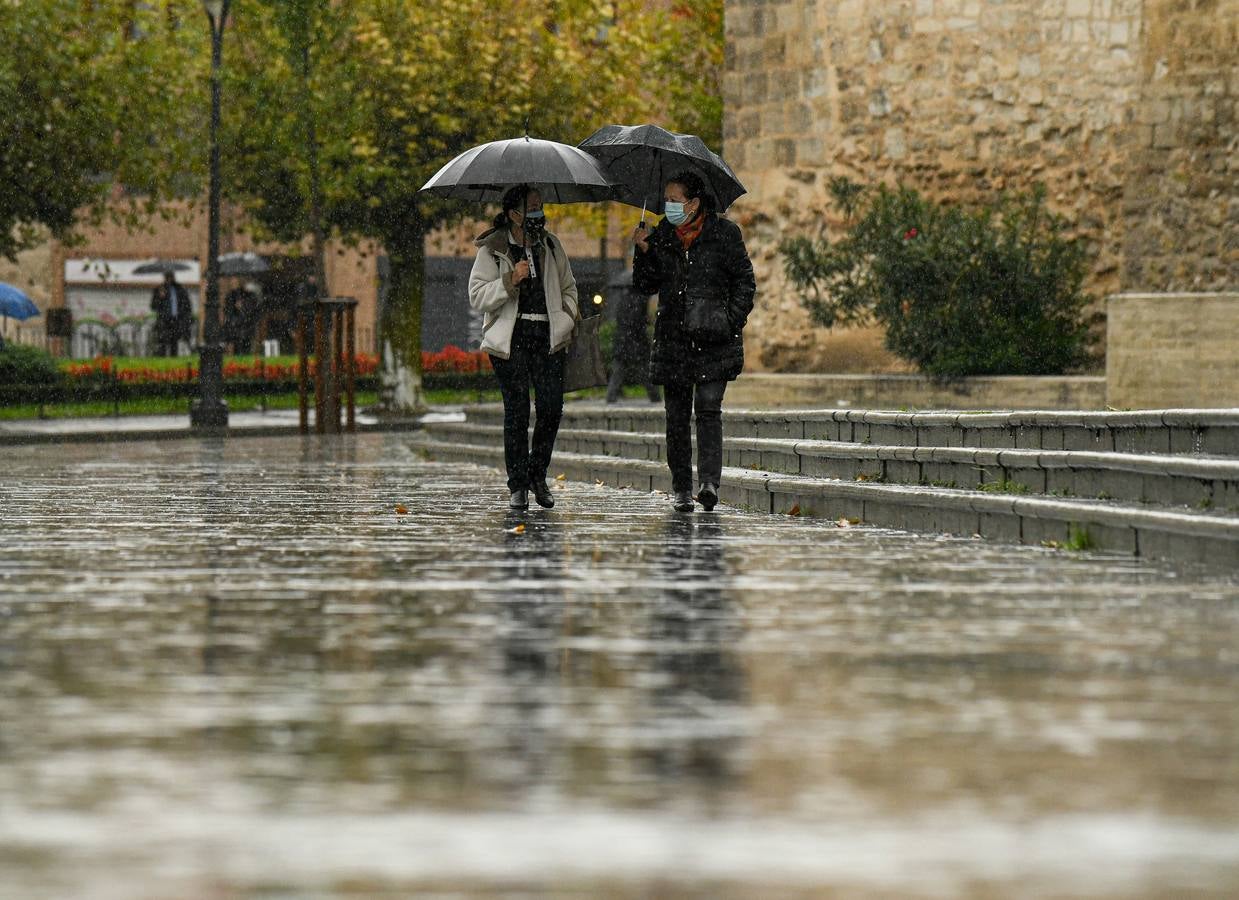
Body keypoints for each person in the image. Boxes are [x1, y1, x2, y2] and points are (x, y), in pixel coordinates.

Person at [632, 170, 756, 512]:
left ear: (695, 203)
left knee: (708, 409)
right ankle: (682, 488)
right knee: (676, 417)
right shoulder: (661, 236)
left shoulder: (725, 234)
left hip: (714, 340)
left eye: (674, 201)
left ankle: (709, 484)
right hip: (674, 339)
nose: (668, 206)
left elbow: (745, 282)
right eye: (666, 201)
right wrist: (643, 251)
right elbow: (646, 285)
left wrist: (729, 320)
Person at [469, 185, 580, 510]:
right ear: (513, 213)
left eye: (540, 206)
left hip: (546, 337)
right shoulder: (493, 249)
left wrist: (567, 318)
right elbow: (476, 295)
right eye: (531, 207)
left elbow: (568, 287)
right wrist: (508, 281)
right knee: (517, 412)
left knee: (550, 408)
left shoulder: (550, 245)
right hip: (511, 339)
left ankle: (537, 474)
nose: (538, 213)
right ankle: (517, 484)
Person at [605, 275, 660, 404]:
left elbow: (621, 319)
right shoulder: (641, 299)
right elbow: (641, 320)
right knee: (645, 371)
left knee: (618, 371)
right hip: (636, 341)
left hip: (622, 340)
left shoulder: (623, 299)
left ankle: (611, 396)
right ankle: (655, 397)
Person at [150, 272, 193, 357]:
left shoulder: (180, 289)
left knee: (174, 341)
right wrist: (160, 297)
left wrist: (185, 317)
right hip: (164, 320)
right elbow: (153, 306)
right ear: (165, 278)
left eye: (171, 277)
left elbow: (187, 305)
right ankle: (162, 358)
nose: (169, 279)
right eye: (167, 277)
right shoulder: (160, 289)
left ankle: (174, 359)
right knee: (163, 341)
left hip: (176, 319)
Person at [223, 281, 259, 354]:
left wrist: (244, 308)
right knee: (237, 344)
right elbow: (227, 311)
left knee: (246, 344)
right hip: (236, 326)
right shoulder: (233, 295)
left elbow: (253, 311)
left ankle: (245, 353)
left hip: (247, 326)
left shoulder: (251, 296)